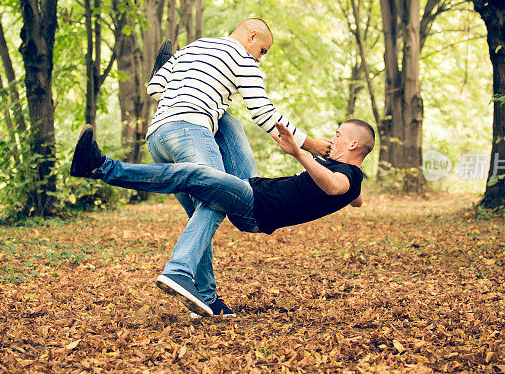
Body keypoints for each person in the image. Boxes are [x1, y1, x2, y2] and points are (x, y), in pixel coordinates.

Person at [70, 118, 375, 317]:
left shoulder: (343, 178)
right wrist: (338, 169)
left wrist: (300, 153)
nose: (331, 139)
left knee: (194, 175)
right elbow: (357, 199)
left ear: (352, 145)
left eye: (337, 136)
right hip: (252, 184)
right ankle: (180, 87)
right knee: (229, 124)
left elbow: (338, 188)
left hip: (255, 208)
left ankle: (100, 167)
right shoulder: (352, 177)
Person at [144, 19, 332, 317]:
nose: (260, 57)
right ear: (251, 36)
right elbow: (262, 111)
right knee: (221, 196)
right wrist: (310, 144)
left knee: (201, 213)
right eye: (263, 50)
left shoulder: (193, 48)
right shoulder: (242, 58)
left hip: (157, 138)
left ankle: (205, 298)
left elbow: (155, 90)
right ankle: (178, 269)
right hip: (190, 130)